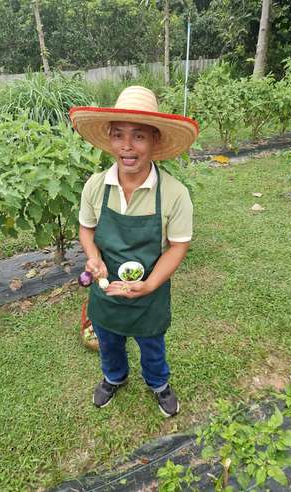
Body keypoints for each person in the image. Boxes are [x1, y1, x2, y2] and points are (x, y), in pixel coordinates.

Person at [69, 86, 199, 417]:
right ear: (110, 139)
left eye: (139, 136)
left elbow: (178, 245)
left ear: (155, 141)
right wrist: (94, 257)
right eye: (118, 135)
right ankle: (114, 377)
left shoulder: (174, 193)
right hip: (106, 289)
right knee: (108, 341)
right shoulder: (95, 186)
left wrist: (151, 284)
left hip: (149, 294)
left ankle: (158, 383)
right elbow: (87, 229)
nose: (127, 146)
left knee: (152, 345)